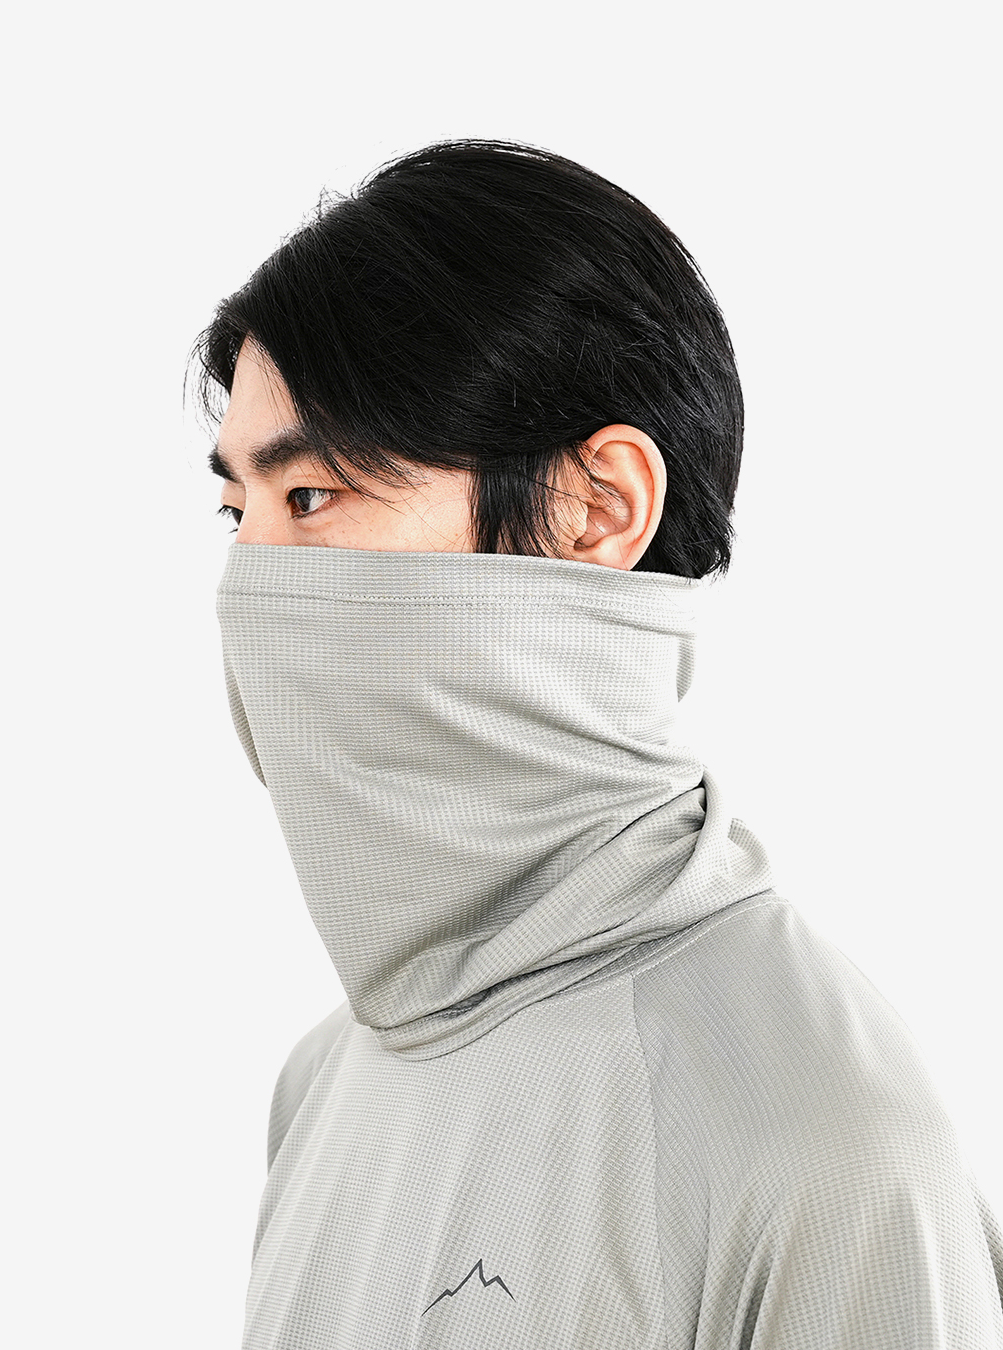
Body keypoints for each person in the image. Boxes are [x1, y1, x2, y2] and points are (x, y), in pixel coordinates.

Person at [195, 139, 1003, 1348]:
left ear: (597, 508)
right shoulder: (324, 1083)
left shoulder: (823, 1144)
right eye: (234, 512)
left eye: (311, 496)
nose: (250, 584)